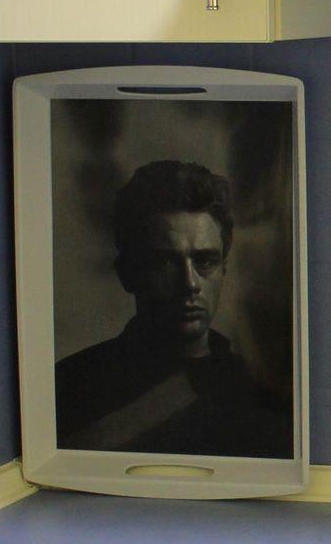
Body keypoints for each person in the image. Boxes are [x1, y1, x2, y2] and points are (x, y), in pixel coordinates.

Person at [54, 159, 292, 458]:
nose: (190, 283)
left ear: (223, 269)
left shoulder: (262, 394)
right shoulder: (70, 387)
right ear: (127, 273)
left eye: (205, 261)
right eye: (166, 262)